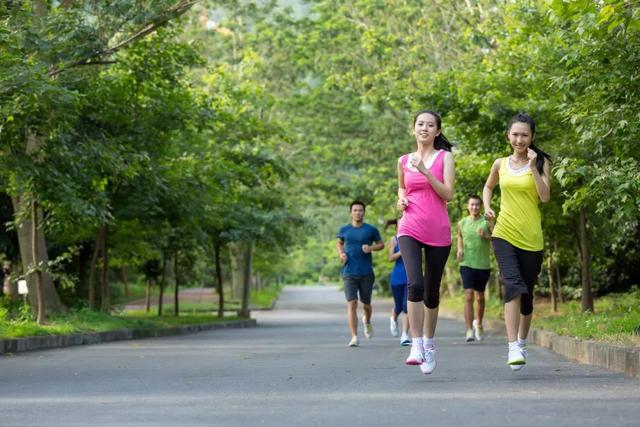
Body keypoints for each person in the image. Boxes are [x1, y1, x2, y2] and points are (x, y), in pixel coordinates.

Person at [483, 113, 551, 371]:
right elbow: (488, 187)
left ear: (532, 137)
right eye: (515, 134)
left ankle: (522, 341)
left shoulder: (542, 163)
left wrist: (533, 167)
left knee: (527, 295)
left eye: (524, 135)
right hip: (504, 232)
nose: (519, 139)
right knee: (512, 285)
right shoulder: (500, 164)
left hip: (531, 238)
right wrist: (488, 207)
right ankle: (512, 346)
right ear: (508, 136)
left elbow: (544, 197)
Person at [396, 110, 455, 374]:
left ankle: (429, 343)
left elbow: (448, 194)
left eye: (430, 125)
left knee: (431, 293)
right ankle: (416, 343)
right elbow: (401, 188)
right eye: (420, 124)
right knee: (415, 284)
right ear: (413, 129)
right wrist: (400, 200)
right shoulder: (403, 160)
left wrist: (426, 172)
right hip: (409, 226)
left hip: (438, 230)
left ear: (437, 132)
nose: (424, 128)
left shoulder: (445, 158)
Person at [337, 200, 384, 347]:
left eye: (360, 210)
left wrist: (371, 248)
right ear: (351, 212)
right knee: (352, 303)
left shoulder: (371, 229)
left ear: (364, 212)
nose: (358, 212)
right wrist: (341, 254)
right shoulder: (344, 229)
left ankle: (367, 321)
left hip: (366, 272)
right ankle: (354, 336)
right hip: (349, 271)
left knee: (366, 305)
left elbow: (381, 244)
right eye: (355, 210)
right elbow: (339, 243)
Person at [456, 195, 493, 342]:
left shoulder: (486, 221)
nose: (475, 207)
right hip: (466, 263)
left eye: (477, 205)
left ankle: (479, 324)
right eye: (472, 205)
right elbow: (459, 236)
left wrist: (486, 236)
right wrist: (459, 249)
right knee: (469, 295)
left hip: (483, 264)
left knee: (480, 297)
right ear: (467, 206)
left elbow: (496, 237)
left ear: (481, 206)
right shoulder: (462, 223)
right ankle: (469, 330)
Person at [384, 219, 411, 346]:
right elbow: (390, 258)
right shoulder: (394, 240)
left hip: (410, 277)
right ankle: (393, 318)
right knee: (399, 306)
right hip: (397, 277)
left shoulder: (413, 238)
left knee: (407, 307)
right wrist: (401, 251)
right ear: (396, 227)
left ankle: (405, 335)